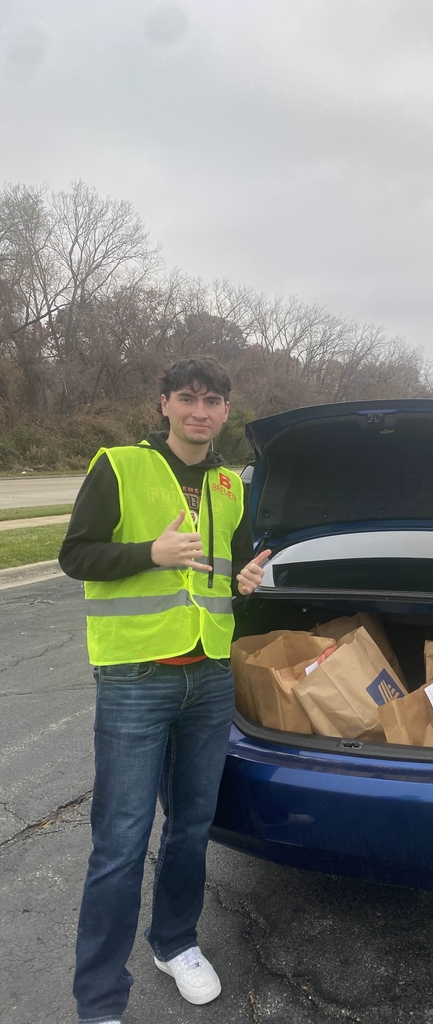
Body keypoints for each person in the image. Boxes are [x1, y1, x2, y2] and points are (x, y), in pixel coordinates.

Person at [59, 356, 270, 1024]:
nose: (200, 411)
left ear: (225, 413)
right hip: (135, 681)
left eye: (212, 401)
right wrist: (147, 555)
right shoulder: (118, 466)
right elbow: (76, 555)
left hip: (208, 678)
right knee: (120, 840)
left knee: (190, 829)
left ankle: (174, 942)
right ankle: (99, 998)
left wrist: (244, 582)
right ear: (165, 404)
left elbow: (226, 565)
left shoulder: (232, 485)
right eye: (188, 398)